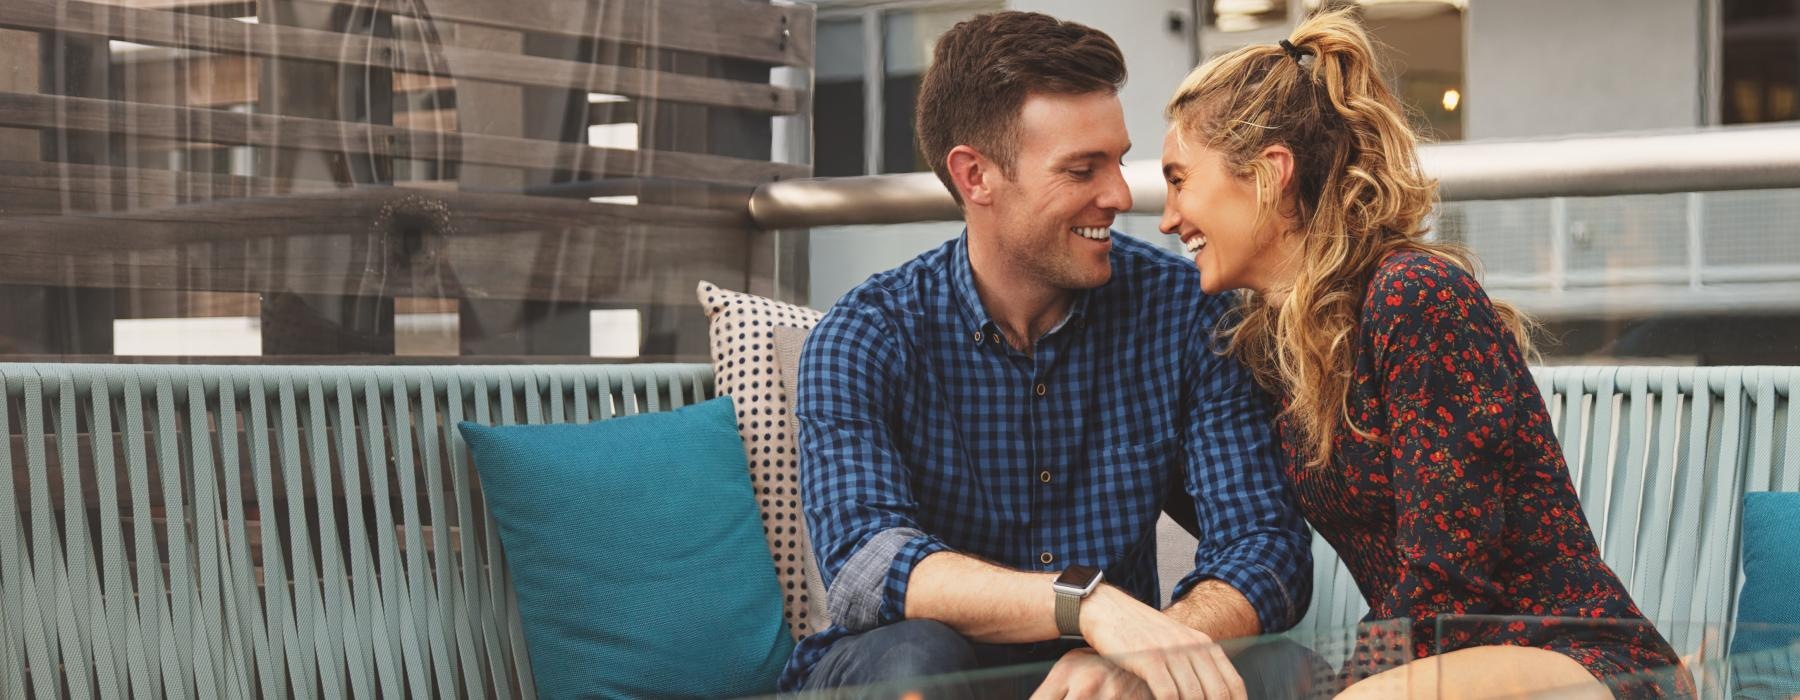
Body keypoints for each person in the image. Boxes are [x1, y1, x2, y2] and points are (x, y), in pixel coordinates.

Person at [1157, 8, 1689, 698]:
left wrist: (1352, 682)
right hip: (1435, 668)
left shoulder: (1415, 297)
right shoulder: (1281, 345)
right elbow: (1241, 513)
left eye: (1178, 179)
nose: (1167, 216)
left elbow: (1449, 580)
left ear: (1269, 175)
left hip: (1575, 655)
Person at [783, 10, 1314, 700]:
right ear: (976, 176)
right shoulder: (866, 335)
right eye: (1081, 169)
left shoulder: (1184, 312)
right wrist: (1087, 605)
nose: (1121, 196)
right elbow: (866, 564)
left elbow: (1264, 544)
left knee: (1278, 671)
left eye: (1118, 161)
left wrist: (1152, 648)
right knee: (918, 659)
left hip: (1097, 684)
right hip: (917, 676)